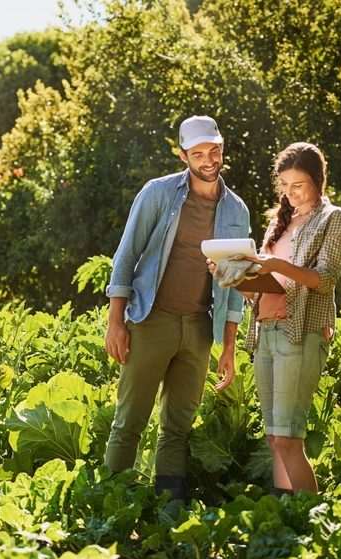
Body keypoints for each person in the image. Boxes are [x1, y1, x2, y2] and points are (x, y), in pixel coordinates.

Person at [104, 115, 250, 502]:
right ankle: (110, 502)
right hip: (152, 320)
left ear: (222, 150)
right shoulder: (158, 193)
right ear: (184, 154)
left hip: (199, 328)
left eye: (214, 151)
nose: (208, 160)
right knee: (130, 420)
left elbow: (235, 289)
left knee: (178, 427)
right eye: (198, 153)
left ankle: (169, 508)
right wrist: (115, 322)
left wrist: (229, 348)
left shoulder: (237, 211)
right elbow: (126, 255)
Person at [241, 142, 341, 495]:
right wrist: (241, 280)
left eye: (298, 185)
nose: (289, 194)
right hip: (266, 331)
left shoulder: (334, 218)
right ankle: (284, 513)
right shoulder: (280, 221)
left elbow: (324, 279)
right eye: (284, 186)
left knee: (290, 438)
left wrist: (278, 266)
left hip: (300, 332)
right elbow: (268, 283)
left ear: (318, 181)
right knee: (275, 438)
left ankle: (308, 519)